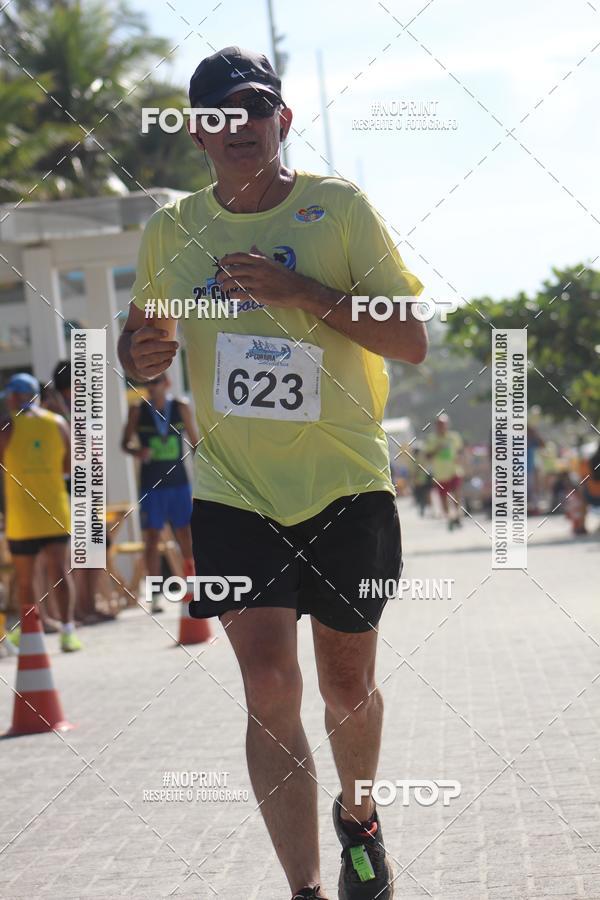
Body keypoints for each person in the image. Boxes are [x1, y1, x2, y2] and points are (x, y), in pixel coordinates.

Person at [118, 46, 426, 900]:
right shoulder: (171, 232)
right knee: (267, 683)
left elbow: (410, 337)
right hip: (232, 490)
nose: (238, 125)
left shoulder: (338, 208)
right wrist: (138, 360)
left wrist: (303, 293)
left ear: (281, 121)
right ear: (196, 133)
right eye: (219, 112)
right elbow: (147, 356)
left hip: (344, 482)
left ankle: (360, 817)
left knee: (345, 682)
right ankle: (305, 890)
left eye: (254, 108)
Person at [0, 373, 81, 652]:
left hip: (21, 516)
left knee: (25, 579)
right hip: (54, 510)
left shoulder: (7, 426)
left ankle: (30, 631)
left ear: (15, 396)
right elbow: (69, 467)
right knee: (60, 572)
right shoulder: (58, 423)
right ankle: (68, 631)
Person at [42, 359, 116, 625]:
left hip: (84, 482)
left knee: (97, 543)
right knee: (74, 551)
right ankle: (75, 610)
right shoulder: (53, 410)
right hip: (66, 486)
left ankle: (88, 605)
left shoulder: (78, 408)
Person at [121, 372, 198, 613]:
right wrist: (138, 452)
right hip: (151, 485)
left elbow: (195, 443)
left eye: (155, 382)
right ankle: (155, 593)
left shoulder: (181, 407)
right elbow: (124, 443)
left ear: (167, 383)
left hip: (179, 483)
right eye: (146, 382)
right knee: (152, 539)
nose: (150, 387)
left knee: (185, 534)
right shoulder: (137, 409)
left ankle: (193, 585)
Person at [424, 414, 464, 529]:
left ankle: (457, 515)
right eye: (440, 424)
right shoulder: (432, 439)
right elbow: (427, 456)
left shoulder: (454, 437)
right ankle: (450, 517)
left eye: (444, 424)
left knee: (457, 494)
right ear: (436, 426)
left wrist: (460, 458)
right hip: (440, 474)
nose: (442, 427)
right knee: (443, 499)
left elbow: (460, 451)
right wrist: (437, 449)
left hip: (454, 470)